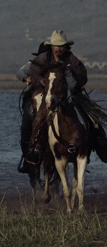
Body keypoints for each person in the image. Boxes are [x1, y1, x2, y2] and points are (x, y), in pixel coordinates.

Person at [24, 30, 88, 164]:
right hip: (49, 93)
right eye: (57, 45)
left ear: (66, 47)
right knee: (40, 118)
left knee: (91, 118)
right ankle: (34, 149)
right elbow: (34, 73)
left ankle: (98, 146)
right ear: (51, 46)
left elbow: (82, 74)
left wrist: (75, 85)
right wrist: (43, 82)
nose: (59, 48)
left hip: (70, 94)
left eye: (62, 46)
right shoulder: (43, 58)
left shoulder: (71, 59)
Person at [16, 41, 47, 173]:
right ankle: (27, 159)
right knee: (25, 130)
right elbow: (19, 72)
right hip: (33, 100)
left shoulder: (59, 64)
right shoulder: (33, 64)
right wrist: (26, 78)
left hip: (56, 98)